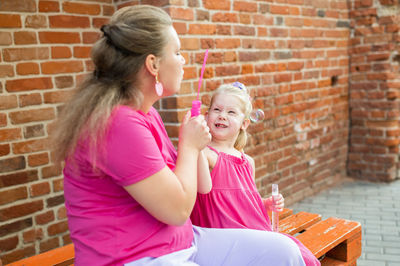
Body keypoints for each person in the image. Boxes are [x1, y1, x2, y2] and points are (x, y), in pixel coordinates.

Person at [53, 5, 306, 266]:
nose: (183, 60)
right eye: (177, 52)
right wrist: (190, 146)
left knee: (283, 251)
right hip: (137, 257)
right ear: (153, 64)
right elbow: (177, 210)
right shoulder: (117, 123)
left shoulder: (147, 114)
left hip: (182, 242)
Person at [190, 82, 321, 266]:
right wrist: (195, 144)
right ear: (206, 116)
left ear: (244, 123)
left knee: (302, 256)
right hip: (224, 237)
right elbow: (203, 189)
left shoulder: (247, 161)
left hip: (252, 228)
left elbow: (246, 201)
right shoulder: (206, 154)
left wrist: (266, 204)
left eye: (231, 112)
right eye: (217, 109)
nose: (222, 116)